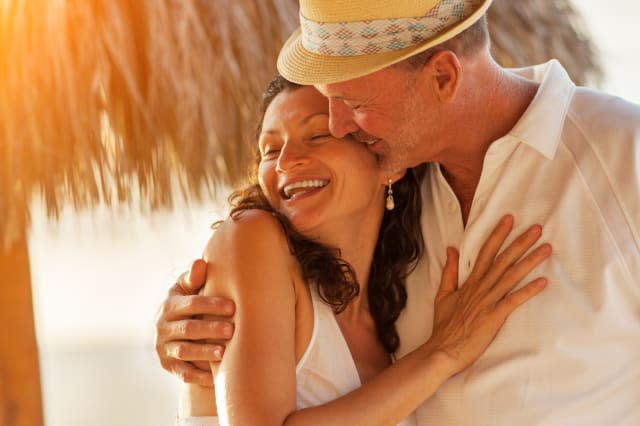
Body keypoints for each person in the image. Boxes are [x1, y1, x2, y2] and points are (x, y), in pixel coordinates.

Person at [157, 0, 640, 424]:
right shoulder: (394, 180)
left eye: (353, 103)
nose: (341, 123)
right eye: (331, 102)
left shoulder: (623, 154)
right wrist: (189, 322)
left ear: (443, 77)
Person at [174, 75, 550, 425]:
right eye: (270, 150)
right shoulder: (250, 236)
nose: (287, 161)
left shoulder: (392, 321)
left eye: (318, 136)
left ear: (387, 163)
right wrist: (444, 352)